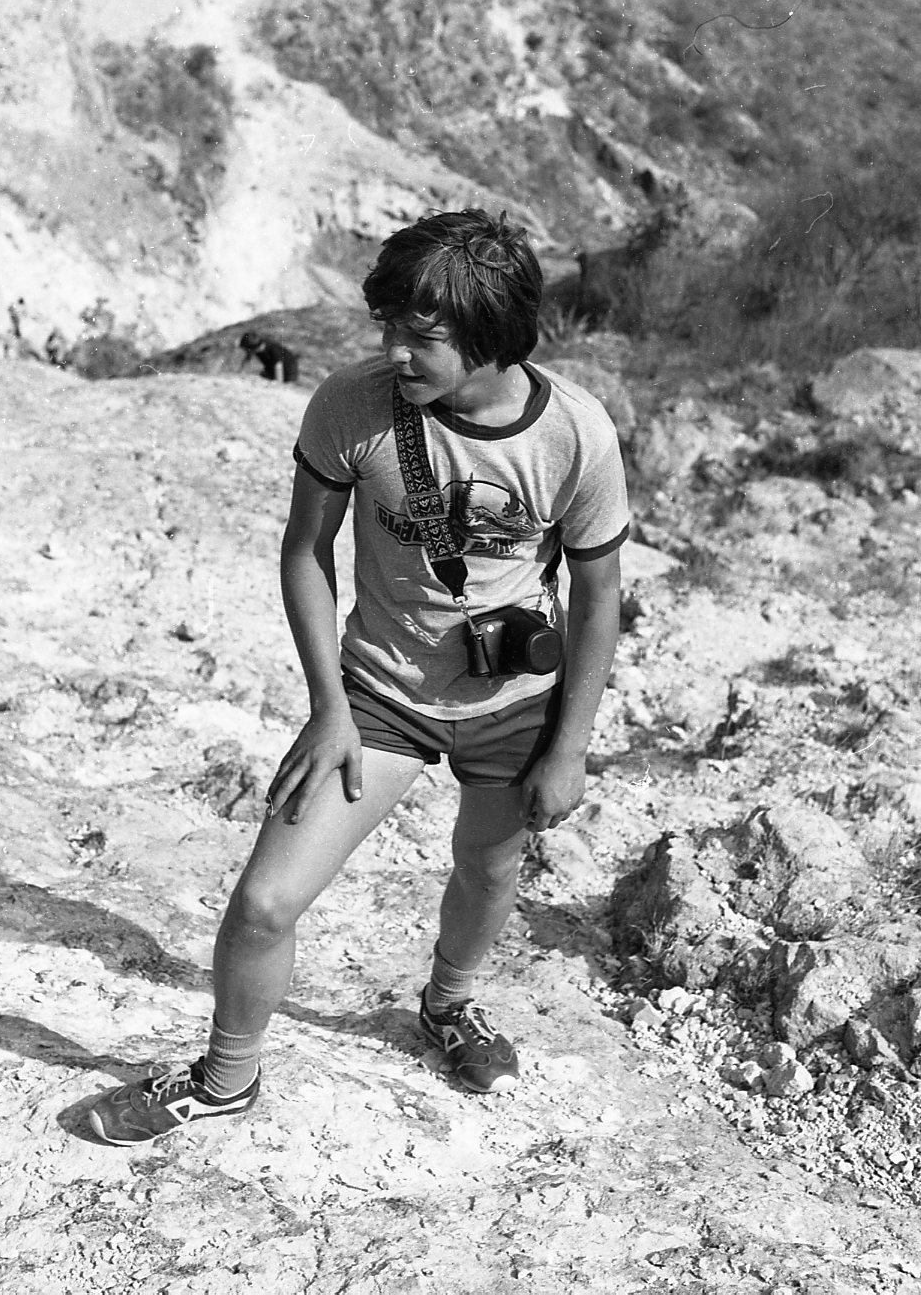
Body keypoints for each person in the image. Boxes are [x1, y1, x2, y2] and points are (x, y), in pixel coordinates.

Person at [89, 208, 628, 1144]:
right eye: (387, 327)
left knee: (487, 868)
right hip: (378, 696)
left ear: (493, 335)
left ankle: (449, 1006)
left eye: (421, 337)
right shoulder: (353, 403)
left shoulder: (575, 436)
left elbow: (598, 595)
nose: (393, 353)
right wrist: (328, 708)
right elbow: (306, 551)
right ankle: (226, 1078)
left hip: (515, 706)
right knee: (266, 901)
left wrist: (569, 747)